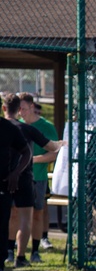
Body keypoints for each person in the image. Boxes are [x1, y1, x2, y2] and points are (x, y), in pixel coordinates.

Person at [3, 93, 61, 269]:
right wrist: (61, 144)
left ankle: (10, 253)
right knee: (24, 218)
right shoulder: (25, 129)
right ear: (19, 110)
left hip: (6, 178)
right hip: (24, 177)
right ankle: (19, 256)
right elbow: (51, 146)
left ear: (4, 108)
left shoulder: (6, 127)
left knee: (8, 216)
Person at [18, 95, 58, 257]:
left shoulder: (46, 127)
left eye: (24, 109)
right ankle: (12, 250)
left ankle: (36, 250)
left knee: (38, 212)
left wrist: (32, 160)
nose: (21, 113)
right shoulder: (16, 125)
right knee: (15, 212)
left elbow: (54, 152)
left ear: (32, 107)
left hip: (38, 177)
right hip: (17, 178)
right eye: (19, 109)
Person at [1, 111, 32, 271]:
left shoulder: (9, 128)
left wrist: (16, 172)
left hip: (4, 183)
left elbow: (26, 152)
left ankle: (3, 259)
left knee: (3, 222)